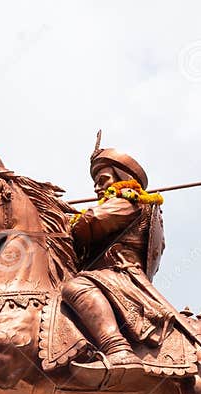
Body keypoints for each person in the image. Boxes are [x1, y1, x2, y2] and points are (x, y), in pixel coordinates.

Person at [61, 133, 168, 374]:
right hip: (104, 273)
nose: (98, 188)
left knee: (76, 288)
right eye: (96, 183)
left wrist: (61, 219)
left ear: (121, 179)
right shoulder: (117, 201)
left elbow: (93, 222)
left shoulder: (129, 200)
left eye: (103, 180)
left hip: (120, 275)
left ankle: (118, 350)